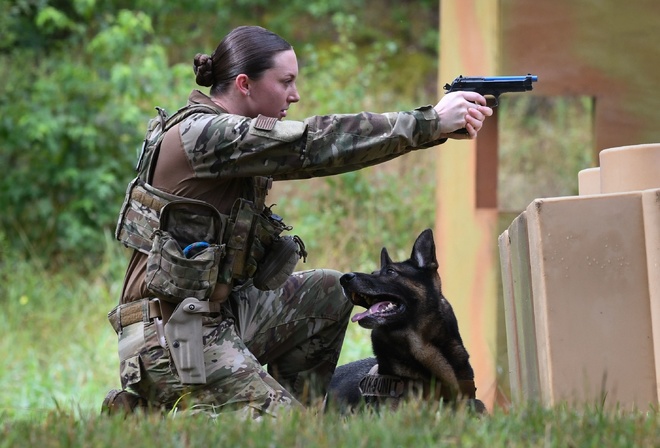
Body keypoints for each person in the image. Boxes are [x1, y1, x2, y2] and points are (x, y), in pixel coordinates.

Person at [102, 25, 492, 419]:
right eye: (285, 81)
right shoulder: (205, 133)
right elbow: (312, 144)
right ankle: (183, 414)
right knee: (289, 435)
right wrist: (429, 121)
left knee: (329, 292)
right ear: (244, 84)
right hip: (172, 338)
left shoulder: (231, 139)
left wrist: (434, 130)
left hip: (218, 319)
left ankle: (296, 414)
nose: (295, 94)